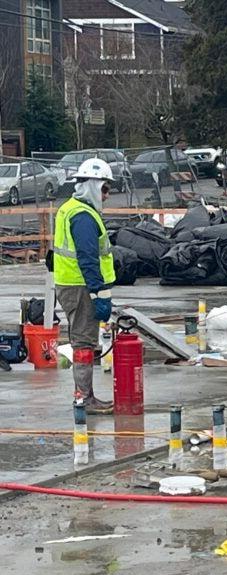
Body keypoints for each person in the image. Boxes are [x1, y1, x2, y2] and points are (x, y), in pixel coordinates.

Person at [52, 158, 117, 413]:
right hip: (80, 286)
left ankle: (84, 395)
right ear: (92, 186)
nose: (108, 195)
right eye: (105, 189)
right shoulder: (83, 216)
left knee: (83, 340)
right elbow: (88, 257)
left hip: (72, 284)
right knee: (83, 341)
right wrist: (98, 292)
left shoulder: (70, 208)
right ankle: (84, 398)